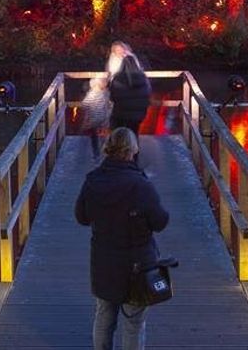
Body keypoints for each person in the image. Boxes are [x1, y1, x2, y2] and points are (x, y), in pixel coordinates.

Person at [75, 127, 169, 350]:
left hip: (104, 262)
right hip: (137, 264)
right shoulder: (141, 185)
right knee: (134, 323)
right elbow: (160, 222)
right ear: (132, 150)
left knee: (104, 316)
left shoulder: (92, 181)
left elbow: (81, 217)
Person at [109, 54, 151, 136]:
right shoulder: (143, 78)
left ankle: (121, 147)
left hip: (120, 113)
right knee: (134, 133)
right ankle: (134, 147)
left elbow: (112, 97)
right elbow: (147, 94)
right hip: (138, 113)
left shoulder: (117, 78)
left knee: (119, 134)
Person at [81, 76, 112, 158]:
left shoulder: (91, 95)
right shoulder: (106, 94)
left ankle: (96, 153)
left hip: (93, 120)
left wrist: (89, 112)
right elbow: (110, 105)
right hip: (104, 120)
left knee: (94, 137)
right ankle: (106, 151)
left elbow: (85, 105)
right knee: (104, 136)